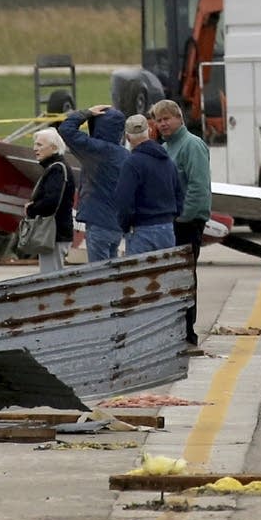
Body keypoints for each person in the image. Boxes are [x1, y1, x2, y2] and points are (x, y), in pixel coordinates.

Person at [150, 98, 211, 343]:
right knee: (172, 279)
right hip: (170, 223)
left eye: (166, 119)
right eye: (158, 120)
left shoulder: (191, 145)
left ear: (179, 119)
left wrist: (185, 217)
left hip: (187, 223)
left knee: (185, 277)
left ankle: (188, 331)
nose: (162, 124)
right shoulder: (165, 149)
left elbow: (198, 187)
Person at [59, 102, 129, 262]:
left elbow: (66, 130)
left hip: (98, 223)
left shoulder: (96, 150)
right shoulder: (125, 154)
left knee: (99, 274)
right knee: (112, 272)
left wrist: (86, 113)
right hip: (116, 225)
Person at [111, 113, 181, 255]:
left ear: (128, 137)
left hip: (141, 230)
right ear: (149, 131)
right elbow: (179, 195)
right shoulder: (168, 161)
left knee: (141, 276)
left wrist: (125, 225)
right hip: (167, 229)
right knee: (166, 275)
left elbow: (123, 200)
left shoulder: (132, 164)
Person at [26, 127, 77, 275]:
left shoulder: (57, 170)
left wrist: (31, 209)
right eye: (35, 144)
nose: (35, 149)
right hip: (56, 233)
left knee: (50, 277)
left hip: (55, 234)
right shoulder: (56, 167)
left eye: (40, 145)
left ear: (54, 148)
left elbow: (51, 202)